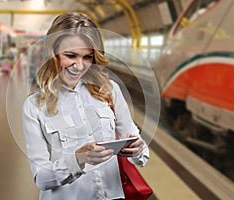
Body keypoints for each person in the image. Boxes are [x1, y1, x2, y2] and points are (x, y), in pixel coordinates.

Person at [22, 12, 149, 200]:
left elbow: (140, 153)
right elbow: (41, 177)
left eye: (87, 57)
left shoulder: (109, 91)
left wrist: (137, 148)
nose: (79, 66)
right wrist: (78, 159)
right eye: (70, 55)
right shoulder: (34, 106)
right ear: (52, 53)